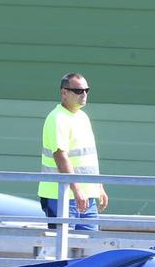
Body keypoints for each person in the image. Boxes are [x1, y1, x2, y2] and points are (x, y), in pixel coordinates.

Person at [39, 72, 108, 230]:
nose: (83, 94)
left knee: (89, 245)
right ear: (64, 92)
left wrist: (98, 187)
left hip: (86, 196)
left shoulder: (82, 117)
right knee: (63, 246)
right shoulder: (57, 118)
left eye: (86, 90)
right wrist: (76, 189)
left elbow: (87, 158)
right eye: (78, 91)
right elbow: (60, 155)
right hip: (61, 195)